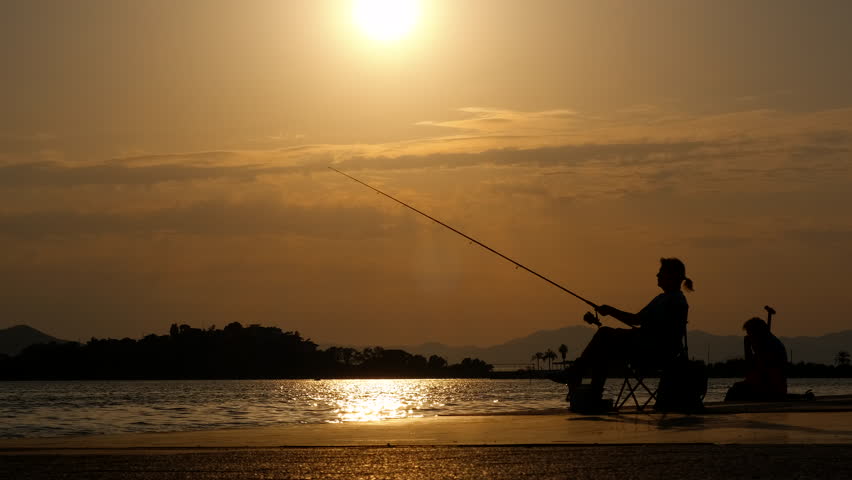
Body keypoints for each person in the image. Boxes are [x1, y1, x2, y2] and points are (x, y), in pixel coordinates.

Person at [566, 257, 693, 410]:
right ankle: (590, 391)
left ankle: (580, 378)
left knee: (604, 335)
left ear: (671, 276)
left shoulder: (674, 300)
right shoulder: (664, 298)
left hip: (654, 352)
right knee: (604, 343)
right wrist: (610, 312)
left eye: (661, 273)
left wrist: (610, 310)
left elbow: (637, 320)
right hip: (650, 347)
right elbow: (639, 321)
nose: (657, 276)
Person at [724, 317, 787, 401]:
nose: (749, 338)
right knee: (736, 388)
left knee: (734, 391)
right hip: (768, 387)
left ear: (757, 333)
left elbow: (759, 372)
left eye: (750, 335)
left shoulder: (769, 346)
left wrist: (749, 348)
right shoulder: (767, 343)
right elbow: (751, 372)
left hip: (771, 391)